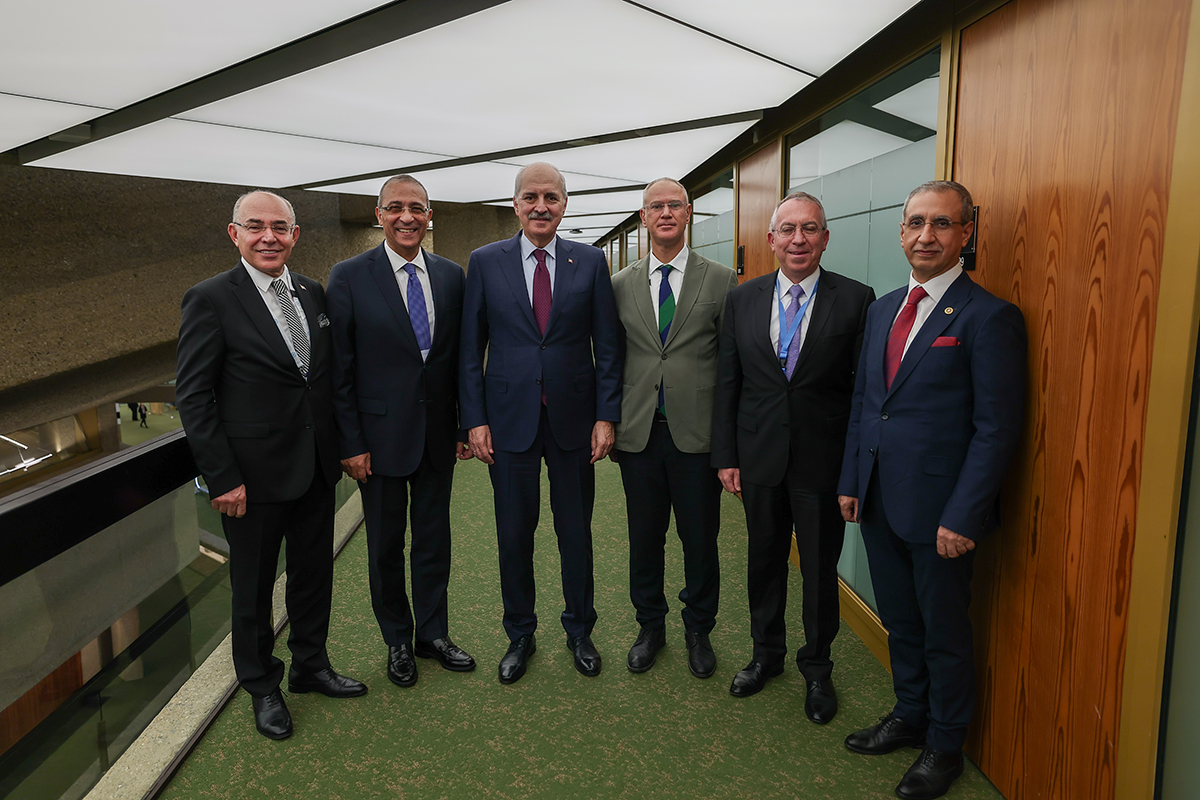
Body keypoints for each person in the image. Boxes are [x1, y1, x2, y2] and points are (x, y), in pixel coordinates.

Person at [838, 180, 1026, 800]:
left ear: (966, 233)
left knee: (944, 633)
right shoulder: (884, 308)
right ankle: (909, 714)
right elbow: (867, 404)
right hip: (879, 501)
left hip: (942, 514)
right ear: (901, 231)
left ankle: (945, 746)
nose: (926, 236)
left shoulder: (989, 316)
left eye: (942, 224)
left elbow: (996, 429)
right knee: (901, 622)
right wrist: (852, 481)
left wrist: (964, 515)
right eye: (916, 223)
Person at [177, 190, 366, 741]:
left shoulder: (310, 291)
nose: (269, 237)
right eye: (256, 226)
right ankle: (261, 685)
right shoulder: (210, 298)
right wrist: (222, 476)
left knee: (314, 576)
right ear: (234, 234)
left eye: (280, 227)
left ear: (295, 235)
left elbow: (320, 380)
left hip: (315, 469)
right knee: (253, 590)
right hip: (250, 480)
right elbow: (194, 396)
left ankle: (311, 665)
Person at [712, 192, 874, 722]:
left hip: (822, 462)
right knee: (764, 561)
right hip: (758, 457)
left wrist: (853, 469)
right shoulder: (743, 299)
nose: (798, 239)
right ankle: (766, 655)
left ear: (825, 238)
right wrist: (726, 455)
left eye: (809, 229)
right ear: (772, 239)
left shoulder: (857, 300)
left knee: (820, 571)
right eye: (788, 229)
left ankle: (818, 668)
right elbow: (729, 382)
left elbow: (861, 394)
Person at [460, 162, 622, 684]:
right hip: (509, 422)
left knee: (575, 532)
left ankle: (580, 630)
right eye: (530, 197)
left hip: (575, 420)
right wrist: (474, 420)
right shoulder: (485, 261)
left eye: (551, 197)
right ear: (515, 205)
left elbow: (608, 346)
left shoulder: (589, 261)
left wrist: (606, 415)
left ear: (564, 205)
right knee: (514, 534)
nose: (540, 206)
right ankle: (520, 634)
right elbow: (470, 350)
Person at [326, 175, 476, 690]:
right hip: (378, 441)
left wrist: (462, 424)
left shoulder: (451, 275)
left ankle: (432, 634)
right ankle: (397, 640)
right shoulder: (348, 276)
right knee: (385, 546)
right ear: (379, 215)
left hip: (437, 437)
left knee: (434, 541)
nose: (406, 217)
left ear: (430, 215)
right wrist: (351, 443)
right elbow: (340, 369)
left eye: (416, 207)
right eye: (395, 208)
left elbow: (459, 359)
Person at [611, 177, 737, 678]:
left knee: (700, 540)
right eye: (655, 206)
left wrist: (728, 440)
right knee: (645, 539)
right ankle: (650, 627)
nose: (665, 212)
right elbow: (611, 359)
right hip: (639, 434)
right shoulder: (620, 284)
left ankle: (698, 629)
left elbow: (731, 365)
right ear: (643, 217)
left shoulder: (721, 280)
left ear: (688, 214)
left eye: (674, 205)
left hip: (697, 437)